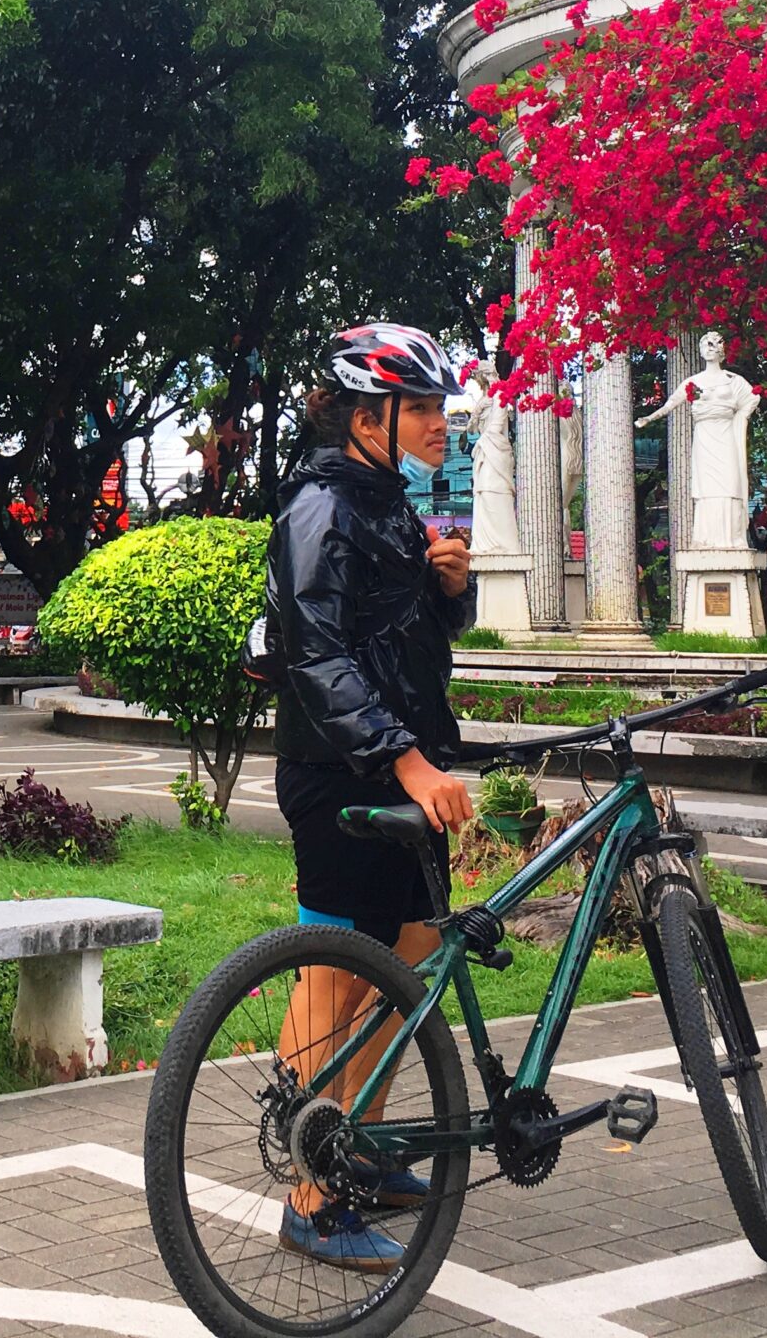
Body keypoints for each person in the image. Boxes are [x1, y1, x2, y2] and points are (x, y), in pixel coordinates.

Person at [263, 321, 474, 1272]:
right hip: (343, 777)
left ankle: (369, 1149)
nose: (441, 425)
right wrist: (408, 762)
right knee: (341, 979)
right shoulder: (320, 507)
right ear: (367, 415)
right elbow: (317, 653)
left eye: (438, 407)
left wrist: (450, 593)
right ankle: (316, 1196)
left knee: (410, 964)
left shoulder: (383, 502)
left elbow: (395, 637)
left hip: (398, 773)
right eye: (422, 409)